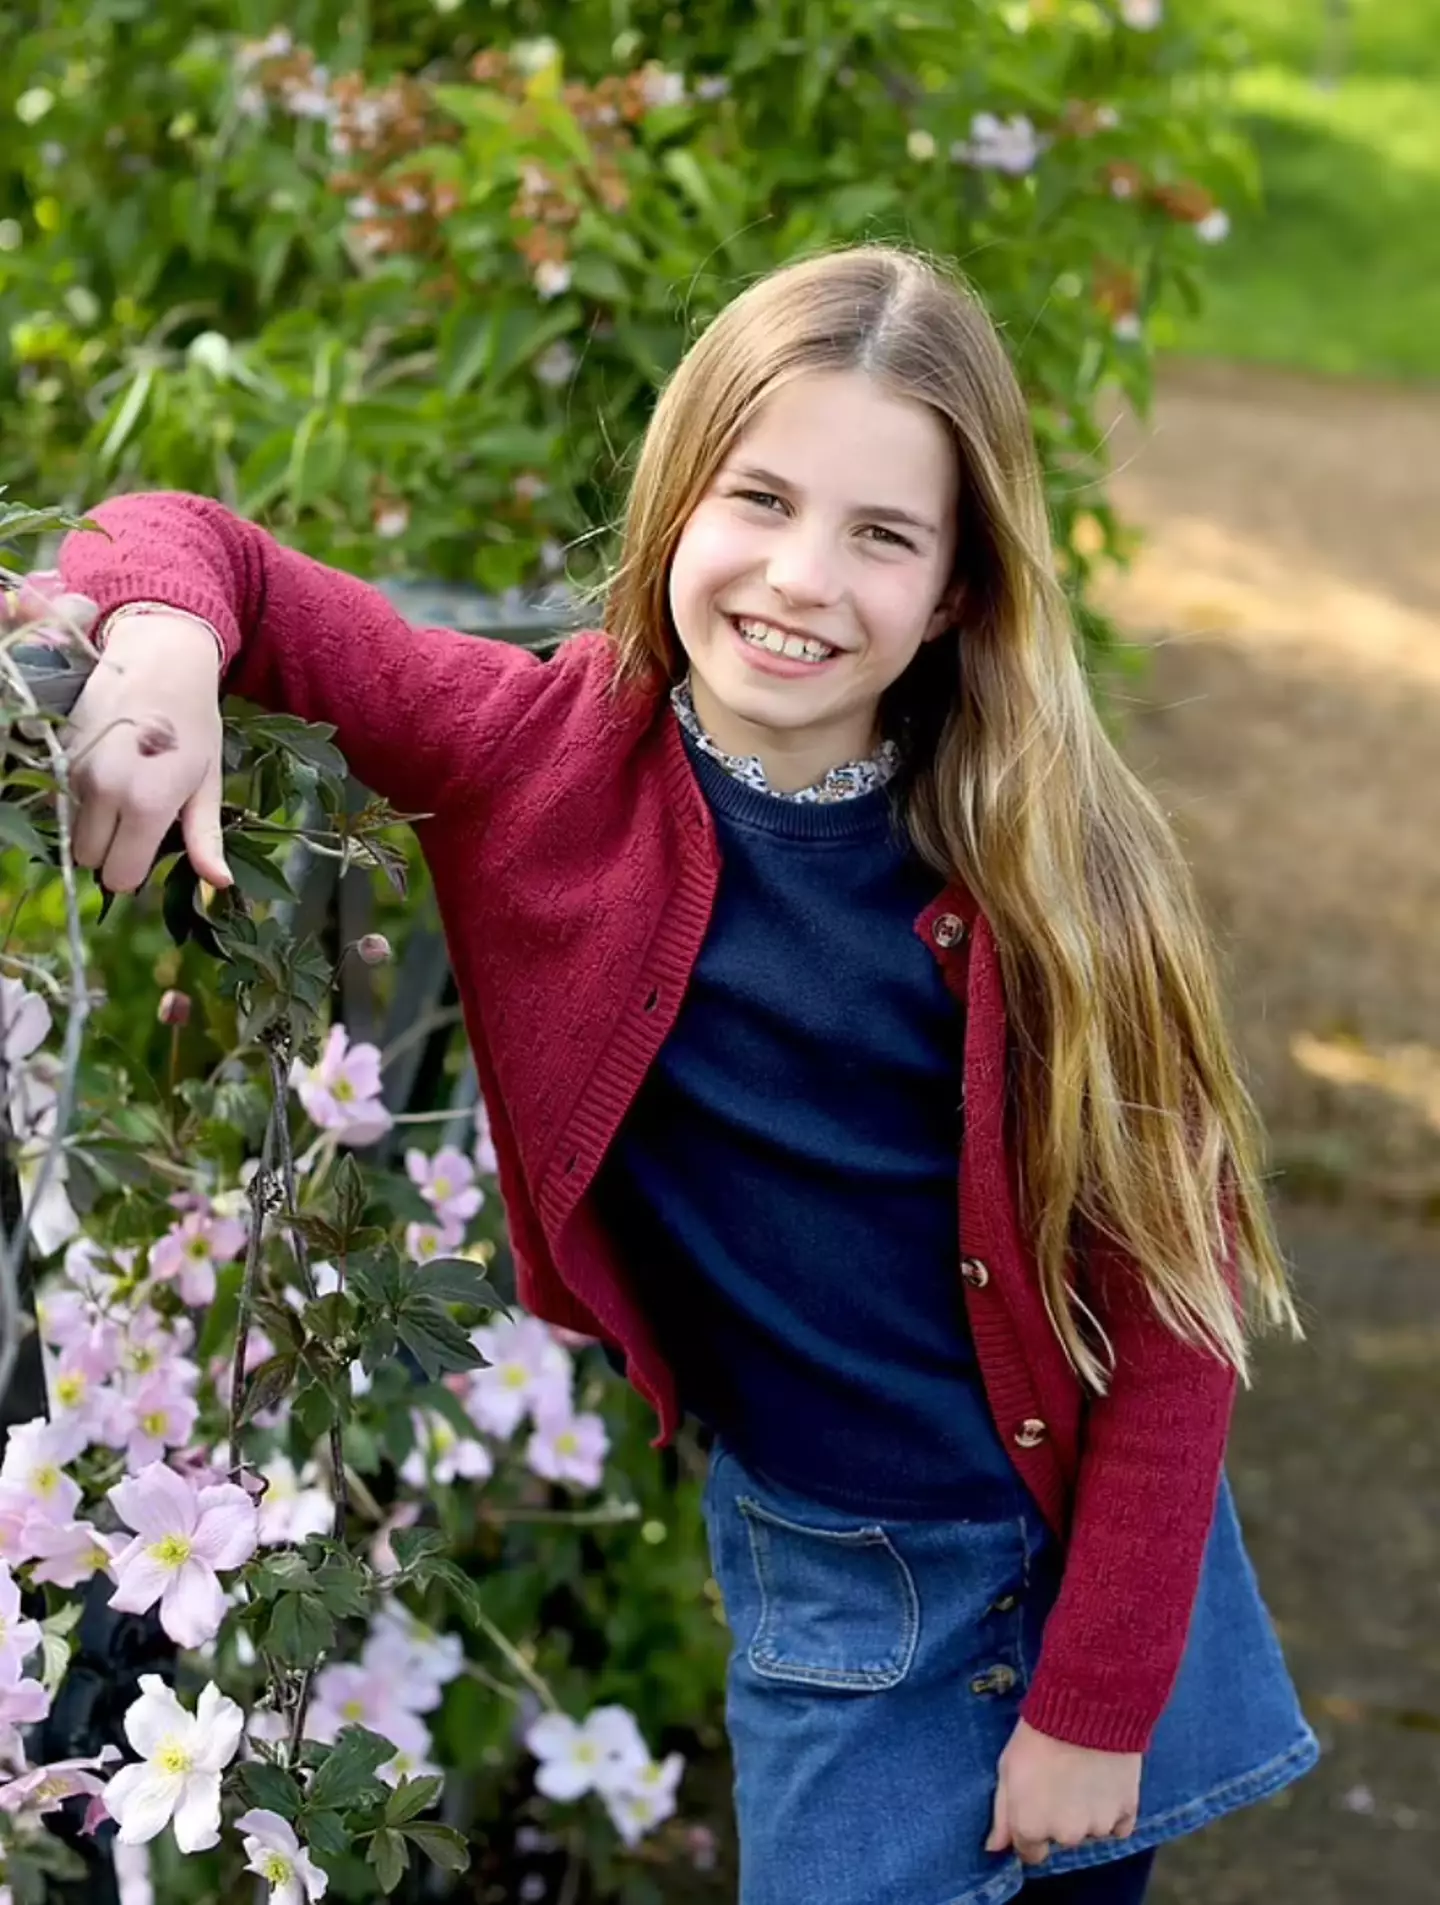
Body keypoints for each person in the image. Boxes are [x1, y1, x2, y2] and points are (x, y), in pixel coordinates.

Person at [56, 244, 1318, 1904]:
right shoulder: (534, 761)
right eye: (762, 500)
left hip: (1110, 1565)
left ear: (956, 590)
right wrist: (156, 652)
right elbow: (200, 543)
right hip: (844, 1586)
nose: (802, 577)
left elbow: (1174, 1299)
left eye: (882, 535)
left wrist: (1096, 1694)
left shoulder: (1052, 861)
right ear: (677, 497)